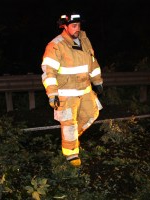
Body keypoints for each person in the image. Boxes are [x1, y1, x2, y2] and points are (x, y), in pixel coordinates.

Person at [40, 12, 103, 167]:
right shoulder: (56, 45)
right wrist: (52, 93)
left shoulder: (84, 40)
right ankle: (71, 155)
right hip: (66, 94)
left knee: (91, 114)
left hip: (85, 90)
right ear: (65, 27)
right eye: (74, 26)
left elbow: (92, 62)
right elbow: (49, 72)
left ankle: (73, 138)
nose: (77, 29)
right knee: (69, 125)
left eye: (79, 25)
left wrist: (97, 81)